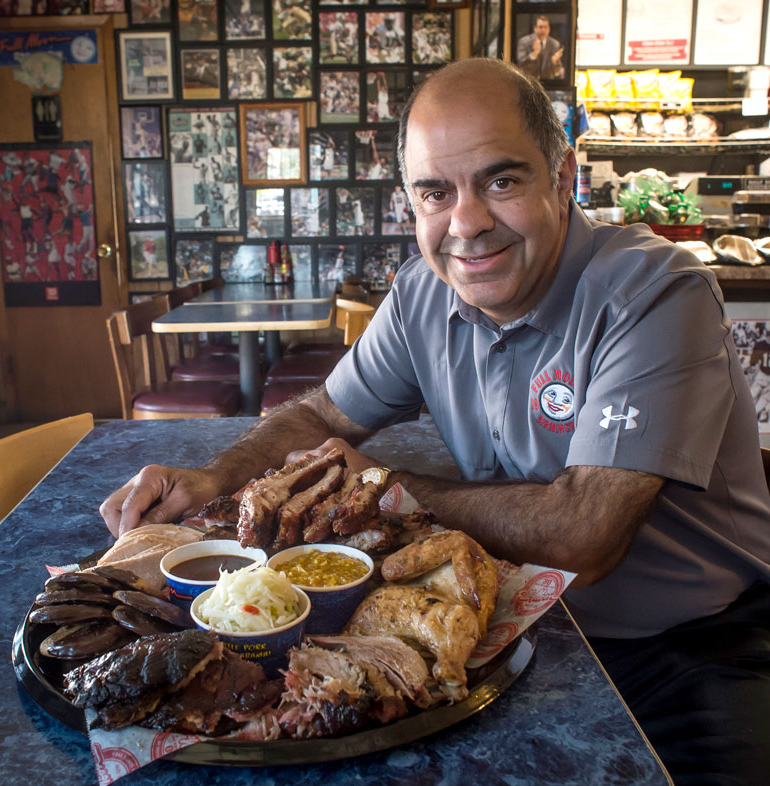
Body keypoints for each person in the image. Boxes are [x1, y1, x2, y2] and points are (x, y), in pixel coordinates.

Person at [100, 59, 770, 786]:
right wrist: (211, 477)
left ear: (563, 175)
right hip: (512, 634)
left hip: (693, 644)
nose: (468, 222)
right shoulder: (423, 294)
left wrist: (388, 485)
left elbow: (585, 534)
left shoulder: (655, 291)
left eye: (501, 181)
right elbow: (323, 412)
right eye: (435, 192)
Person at [517, 15, 564, 81]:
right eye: (540, 27)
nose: (543, 30)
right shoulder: (524, 41)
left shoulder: (555, 44)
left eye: (545, 27)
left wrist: (554, 61)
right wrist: (534, 54)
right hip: (528, 83)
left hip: (548, 85)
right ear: (535, 28)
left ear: (549, 29)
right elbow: (520, 66)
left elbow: (558, 72)